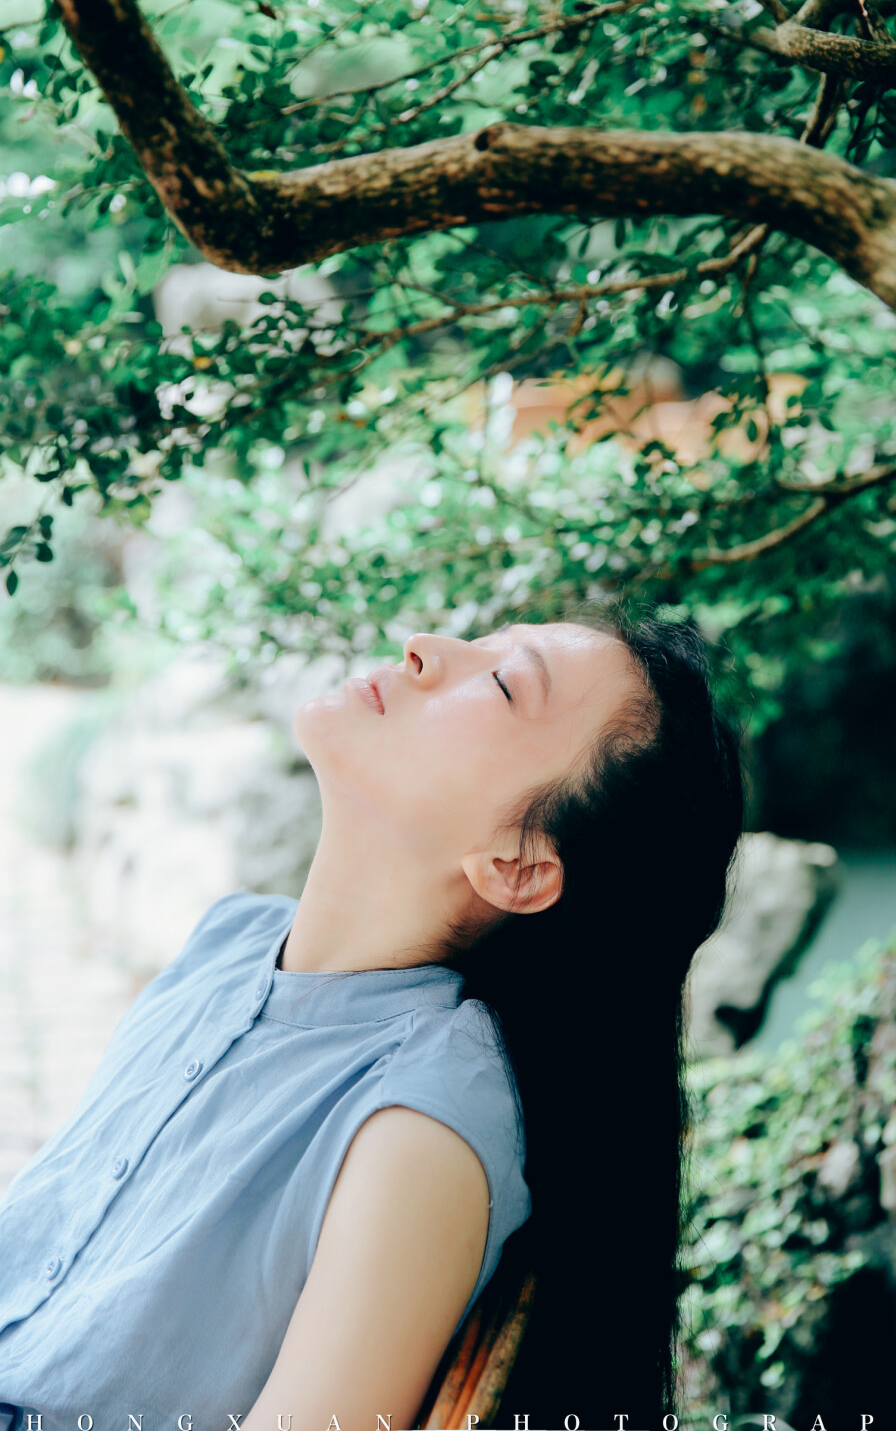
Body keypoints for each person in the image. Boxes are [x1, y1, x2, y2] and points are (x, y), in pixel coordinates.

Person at [0, 597, 743, 1431]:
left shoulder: (420, 1127)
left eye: (501, 684)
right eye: (482, 643)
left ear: (517, 866)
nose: (427, 648)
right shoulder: (228, 939)